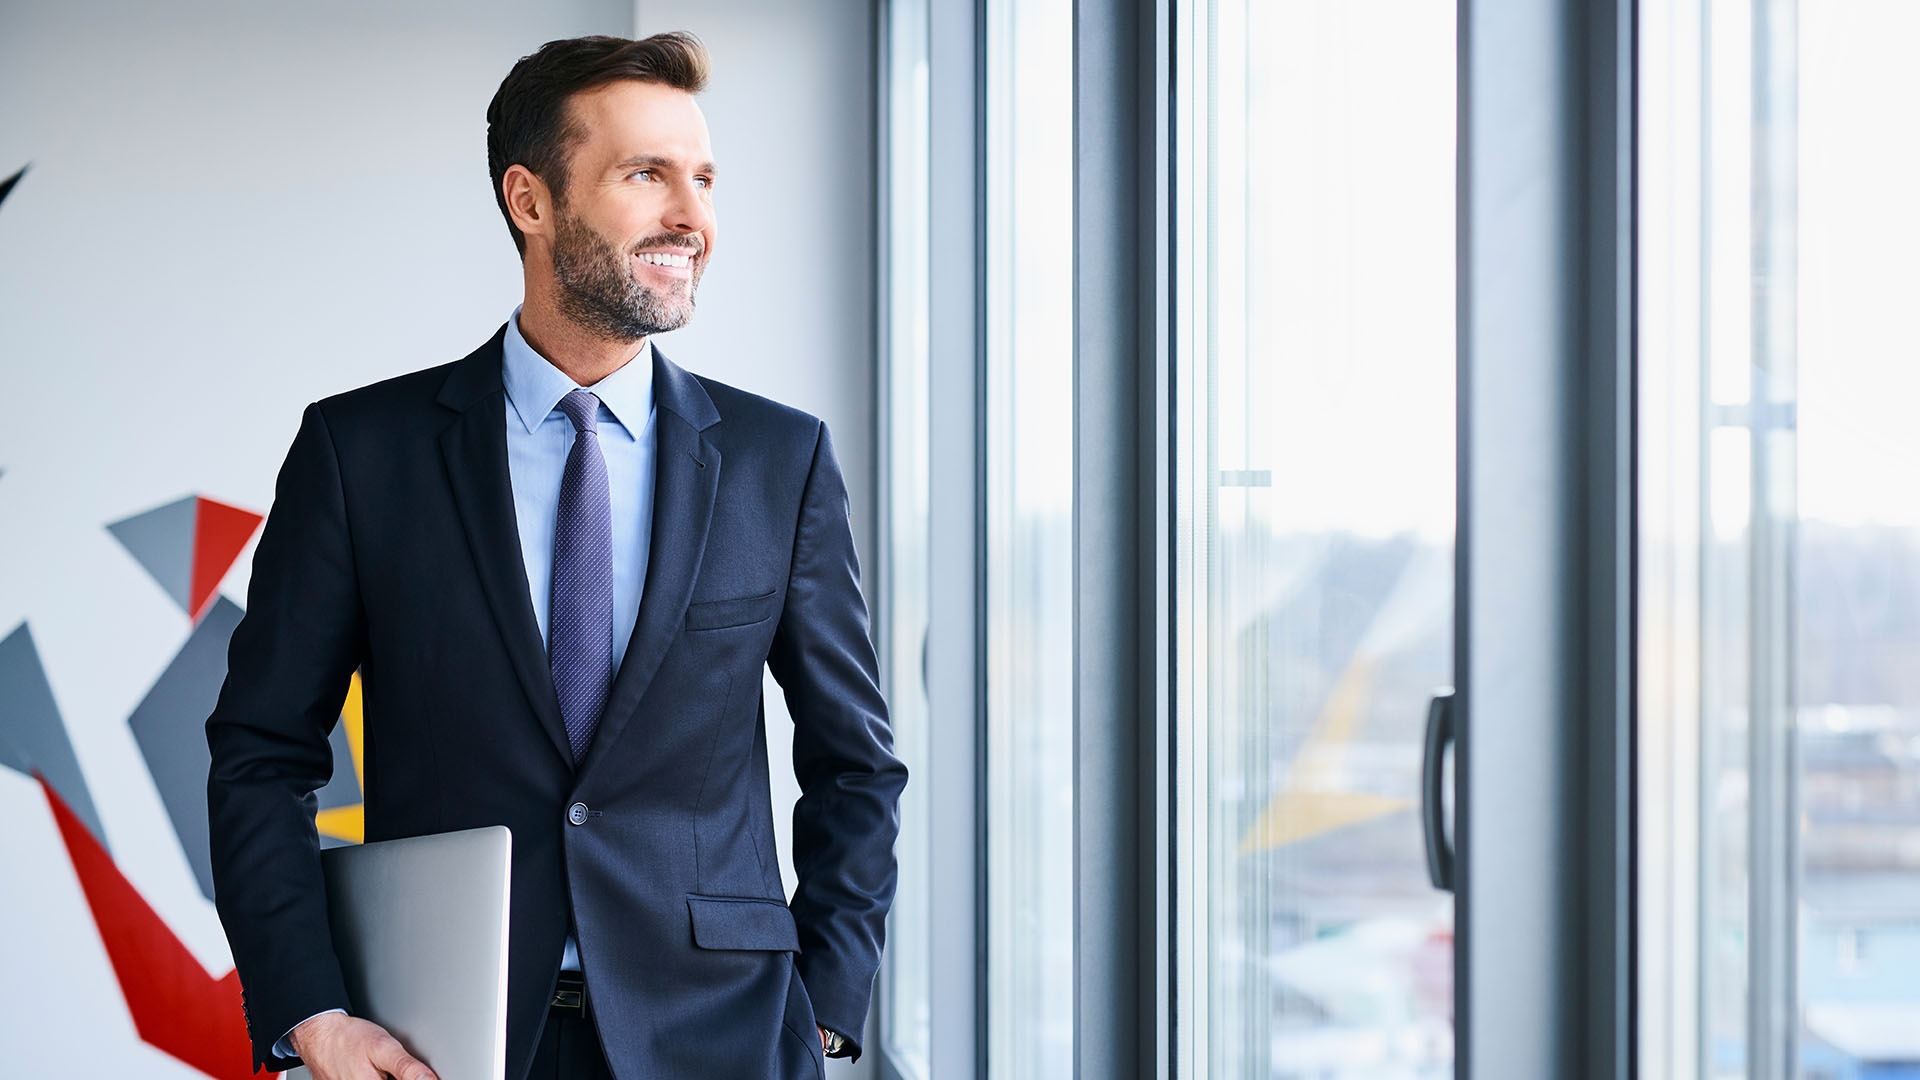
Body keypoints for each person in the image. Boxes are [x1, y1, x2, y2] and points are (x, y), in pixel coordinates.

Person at [205, 32, 905, 1080]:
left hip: (722, 1037)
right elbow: (261, 755)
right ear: (529, 201)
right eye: (647, 175)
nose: (693, 216)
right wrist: (313, 1012)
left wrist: (828, 1010)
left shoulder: (779, 460)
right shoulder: (363, 454)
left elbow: (855, 763)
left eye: (704, 179)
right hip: (441, 1045)